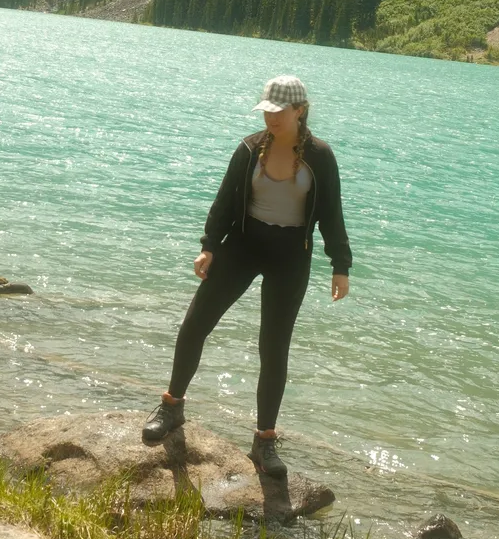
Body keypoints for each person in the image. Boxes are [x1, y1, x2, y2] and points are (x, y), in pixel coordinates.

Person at [142, 75, 351, 477]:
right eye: (266, 110)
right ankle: (171, 407)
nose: (270, 117)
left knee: (273, 348)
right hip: (242, 244)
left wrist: (340, 265)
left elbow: (332, 213)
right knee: (195, 324)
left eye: (278, 111)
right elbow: (224, 200)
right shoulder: (250, 148)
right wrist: (209, 245)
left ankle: (264, 441)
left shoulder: (321, 157)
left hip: (290, 256)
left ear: (299, 111)